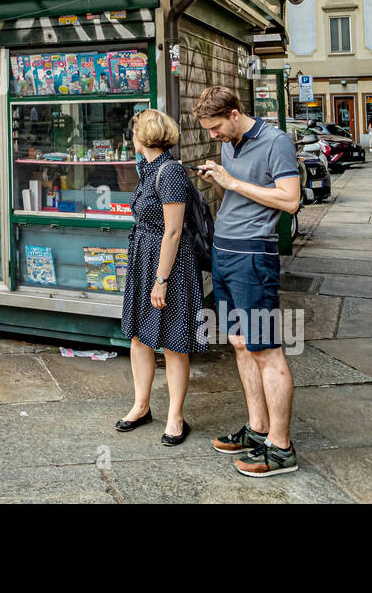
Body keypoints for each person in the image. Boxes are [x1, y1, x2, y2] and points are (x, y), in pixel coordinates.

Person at [192, 86, 302, 477]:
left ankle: (281, 447)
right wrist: (220, 175)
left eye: (217, 127)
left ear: (235, 113)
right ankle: (258, 431)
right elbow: (240, 186)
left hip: (253, 257)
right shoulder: (229, 142)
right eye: (208, 129)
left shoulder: (276, 142)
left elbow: (289, 200)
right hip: (224, 254)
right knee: (239, 344)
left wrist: (232, 182)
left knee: (266, 349)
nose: (213, 135)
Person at [115, 109, 206, 446]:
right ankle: (141, 406)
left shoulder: (168, 173)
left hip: (169, 266)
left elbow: (173, 231)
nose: (132, 137)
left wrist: (161, 279)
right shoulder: (149, 169)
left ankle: (175, 417)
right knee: (139, 336)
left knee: (172, 342)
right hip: (144, 259)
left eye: (135, 131)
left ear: (145, 137)